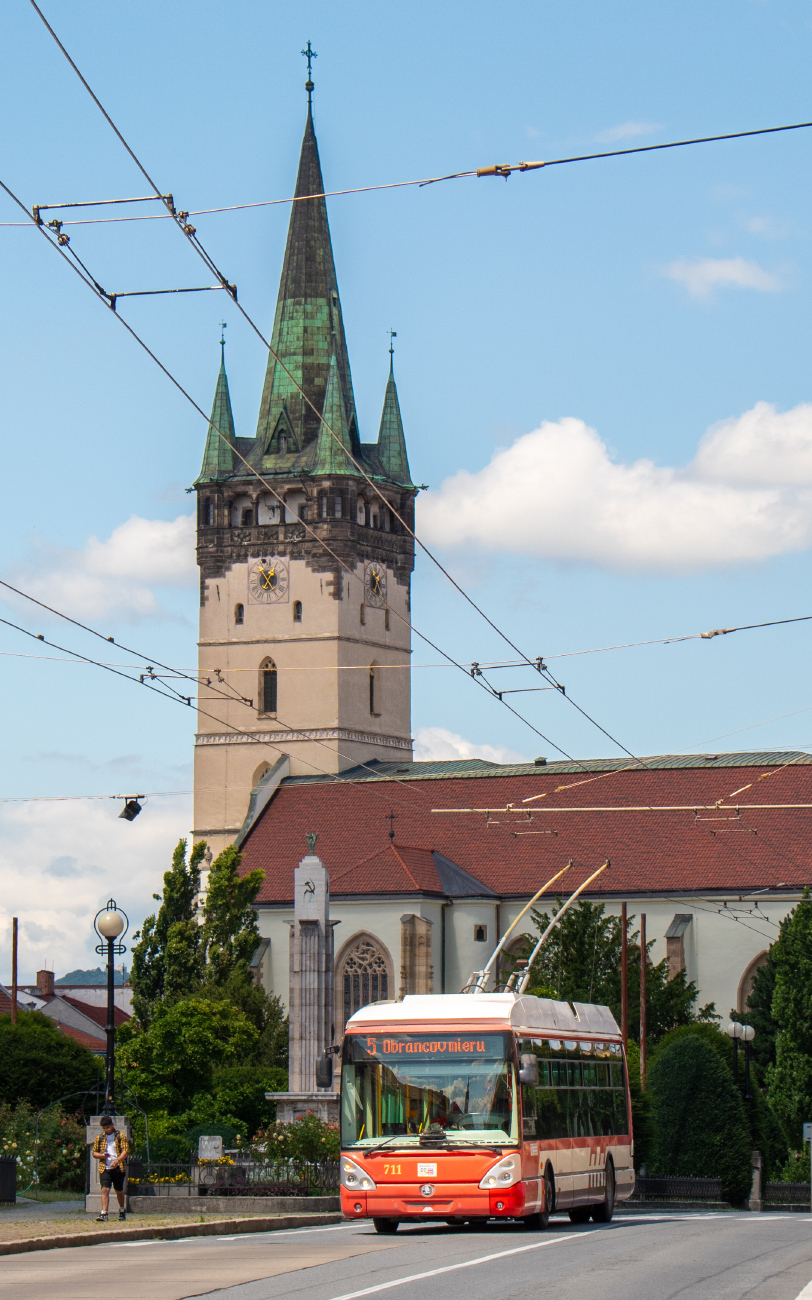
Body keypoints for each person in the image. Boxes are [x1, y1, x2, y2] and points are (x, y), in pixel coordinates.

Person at [91, 1116, 129, 1222]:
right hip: (105, 1167)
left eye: (108, 1127)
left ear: (112, 1125)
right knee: (105, 1189)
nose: (107, 1130)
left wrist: (117, 1160)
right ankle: (104, 1212)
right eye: (104, 1128)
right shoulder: (100, 1138)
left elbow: (125, 1151)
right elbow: (94, 1152)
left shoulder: (120, 1136)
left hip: (117, 1168)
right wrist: (102, 1156)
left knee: (119, 1190)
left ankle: (122, 1209)